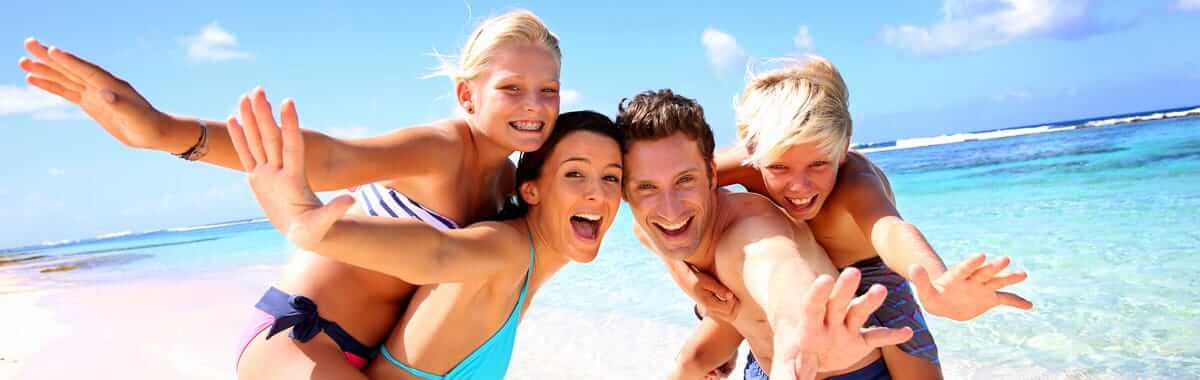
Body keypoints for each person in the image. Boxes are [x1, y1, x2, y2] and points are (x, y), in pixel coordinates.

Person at [18, 10, 566, 379]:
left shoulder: (510, 187)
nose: (534, 105)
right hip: (302, 341)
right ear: (467, 94)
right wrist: (166, 132)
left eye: (548, 90)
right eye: (512, 88)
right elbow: (327, 157)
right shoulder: (443, 145)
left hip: (368, 357)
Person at [679, 57, 1035, 379]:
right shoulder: (744, 161)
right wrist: (691, 283)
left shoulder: (857, 184)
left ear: (844, 145)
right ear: (753, 151)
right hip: (787, 285)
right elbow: (661, 208)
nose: (798, 185)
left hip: (867, 283)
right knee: (691, 360)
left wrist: (937, 284)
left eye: (819, 164)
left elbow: (892, 231)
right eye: (779, 168)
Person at [232, 104, 624, 379]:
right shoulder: (507, 249)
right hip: (295, 345)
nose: (597, 194)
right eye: (575, 174)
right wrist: (322, 232)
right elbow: (437, 252)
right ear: (533, 190)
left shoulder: (531, 264)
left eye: (611, 178)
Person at [616, 89, 914, 380]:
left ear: (711, 173)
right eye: (646, 187)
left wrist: (796, 343)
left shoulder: (751, 232)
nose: (669, 210)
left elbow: (780, 273)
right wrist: (689, 281)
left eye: (685, 180)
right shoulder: (654, 226)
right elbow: (642, 230)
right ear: (625, 192)